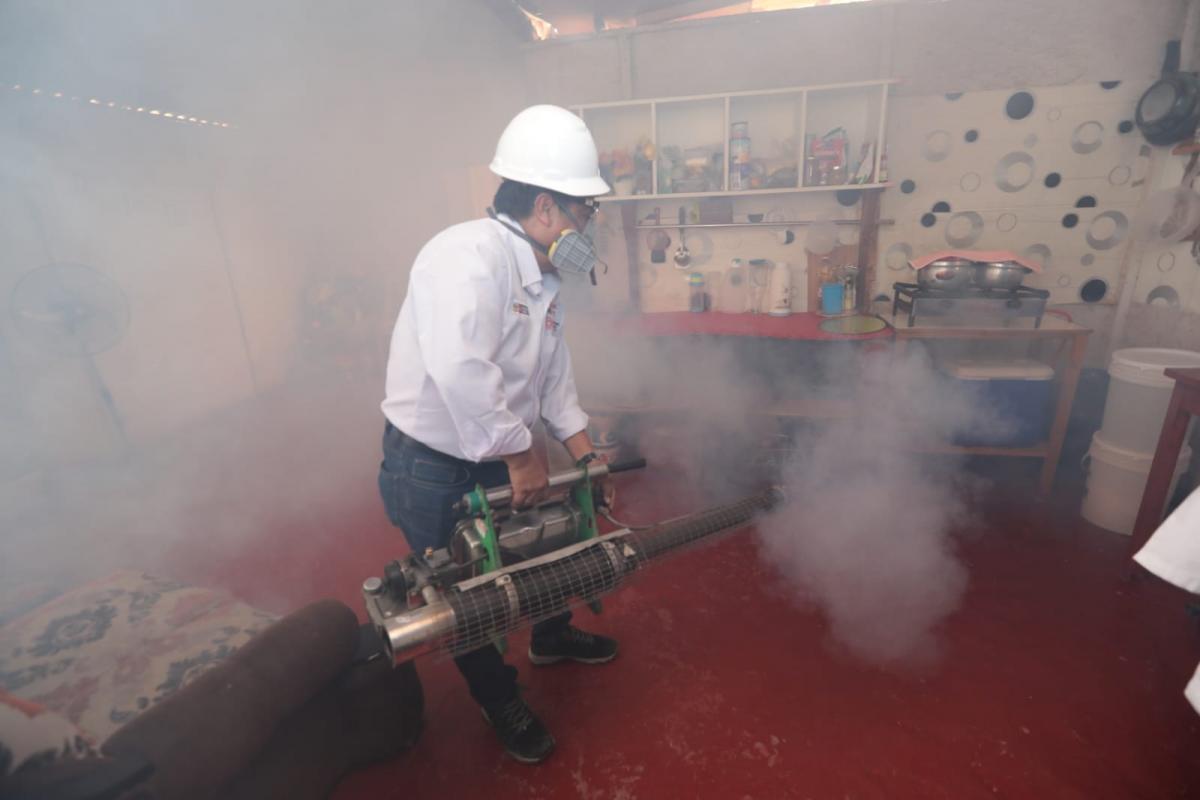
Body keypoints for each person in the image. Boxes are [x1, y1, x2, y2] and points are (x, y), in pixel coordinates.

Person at [377, 104, 617, 764]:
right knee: (466, 594)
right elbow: (461, 368)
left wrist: (584, 453)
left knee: (546, 547)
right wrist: (520, 453)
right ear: (545, 207)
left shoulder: (544, 275)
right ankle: (497, 695)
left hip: (501, 448)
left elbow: (552, 375)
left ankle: (550, 635)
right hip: (433, 463)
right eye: (586, 210)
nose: (589, 225)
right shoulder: (465, 256)